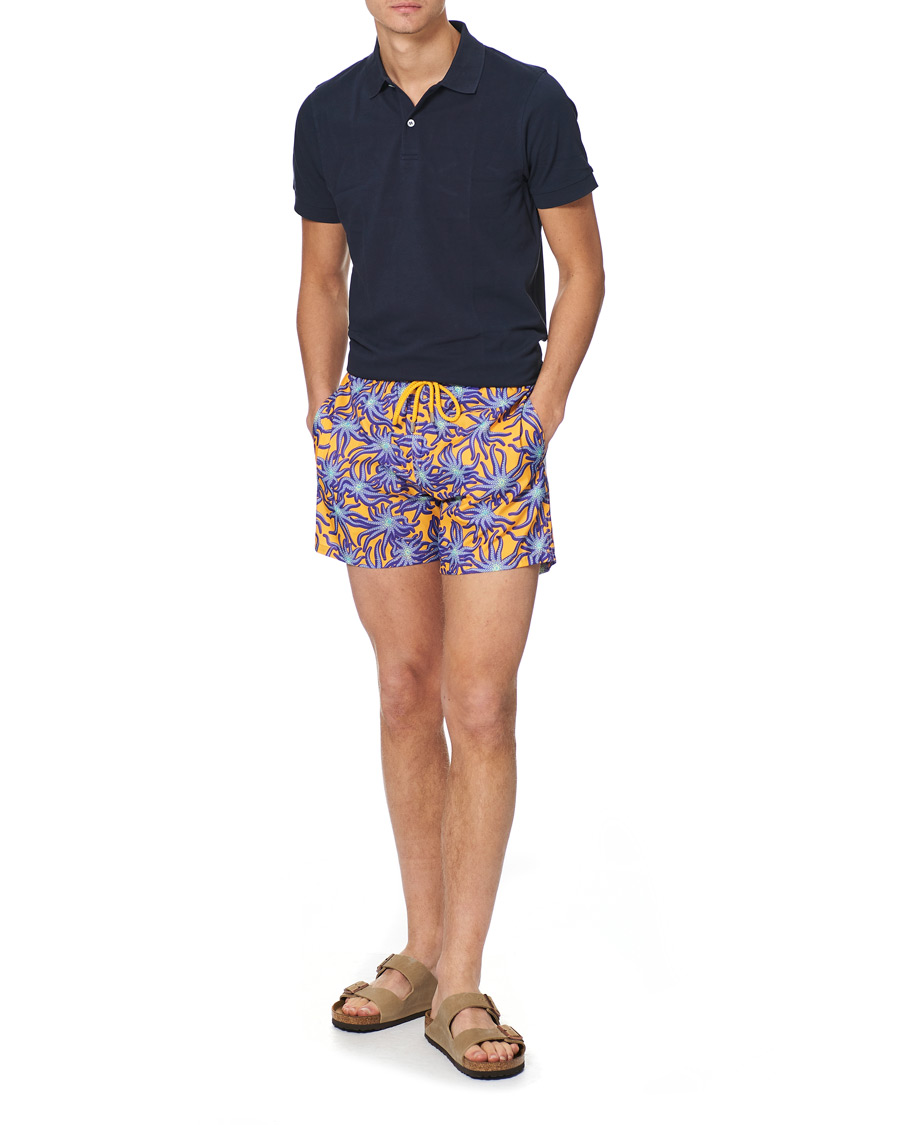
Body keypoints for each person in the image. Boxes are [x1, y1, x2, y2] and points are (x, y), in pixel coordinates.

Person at [292, 1, 604, 1079]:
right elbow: (320, 277)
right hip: (373, 424)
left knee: (480, 704)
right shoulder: (328, 113)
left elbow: (583, 270)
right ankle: (420, 952)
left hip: (491, 424)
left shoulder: (527, 99)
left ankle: (463, 978)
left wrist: (541, 412)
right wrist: (324, 415)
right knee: (402, 687)